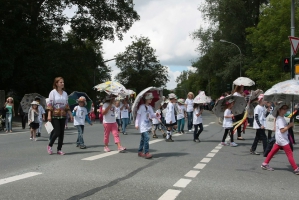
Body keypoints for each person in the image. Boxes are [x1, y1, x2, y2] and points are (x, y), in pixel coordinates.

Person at [261, 103, 299, 174]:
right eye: (283, 109)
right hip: (283, 140)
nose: (285, 110)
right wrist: (289, 126)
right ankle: (296, 168)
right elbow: (282, 130)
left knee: (273, 151)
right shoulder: (280, 119)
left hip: (279, 139)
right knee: (289, 154)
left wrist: (289, 125)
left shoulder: (281, 118)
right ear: (279, 109)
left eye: (286, 109)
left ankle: (265, 163)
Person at [47, 77, 73, 155]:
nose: (62, 83)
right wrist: (49, 115)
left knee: (62, 133)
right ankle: (49, 145)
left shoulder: (65, 93)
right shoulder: (53, 92)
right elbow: (50, 104)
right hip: (55, 115)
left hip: (63, 115)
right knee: (57, 131)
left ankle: (59, 149)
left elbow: (66, 105)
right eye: (61, 82)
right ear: (56, 83)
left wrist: (70, 114)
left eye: (63, 82)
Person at [135, 92, 160, 159]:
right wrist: (136, 124)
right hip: (142, 125)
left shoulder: (150, 107)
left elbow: (152, 115)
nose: (151, 100)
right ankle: (146, 152)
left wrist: (156, 115)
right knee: (147, 138)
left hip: (147, 125)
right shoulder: (142, 107)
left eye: (151, 99)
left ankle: (140, 152)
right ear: (146, 99)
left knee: (143, 139)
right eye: (150, 98)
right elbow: (138, 116)